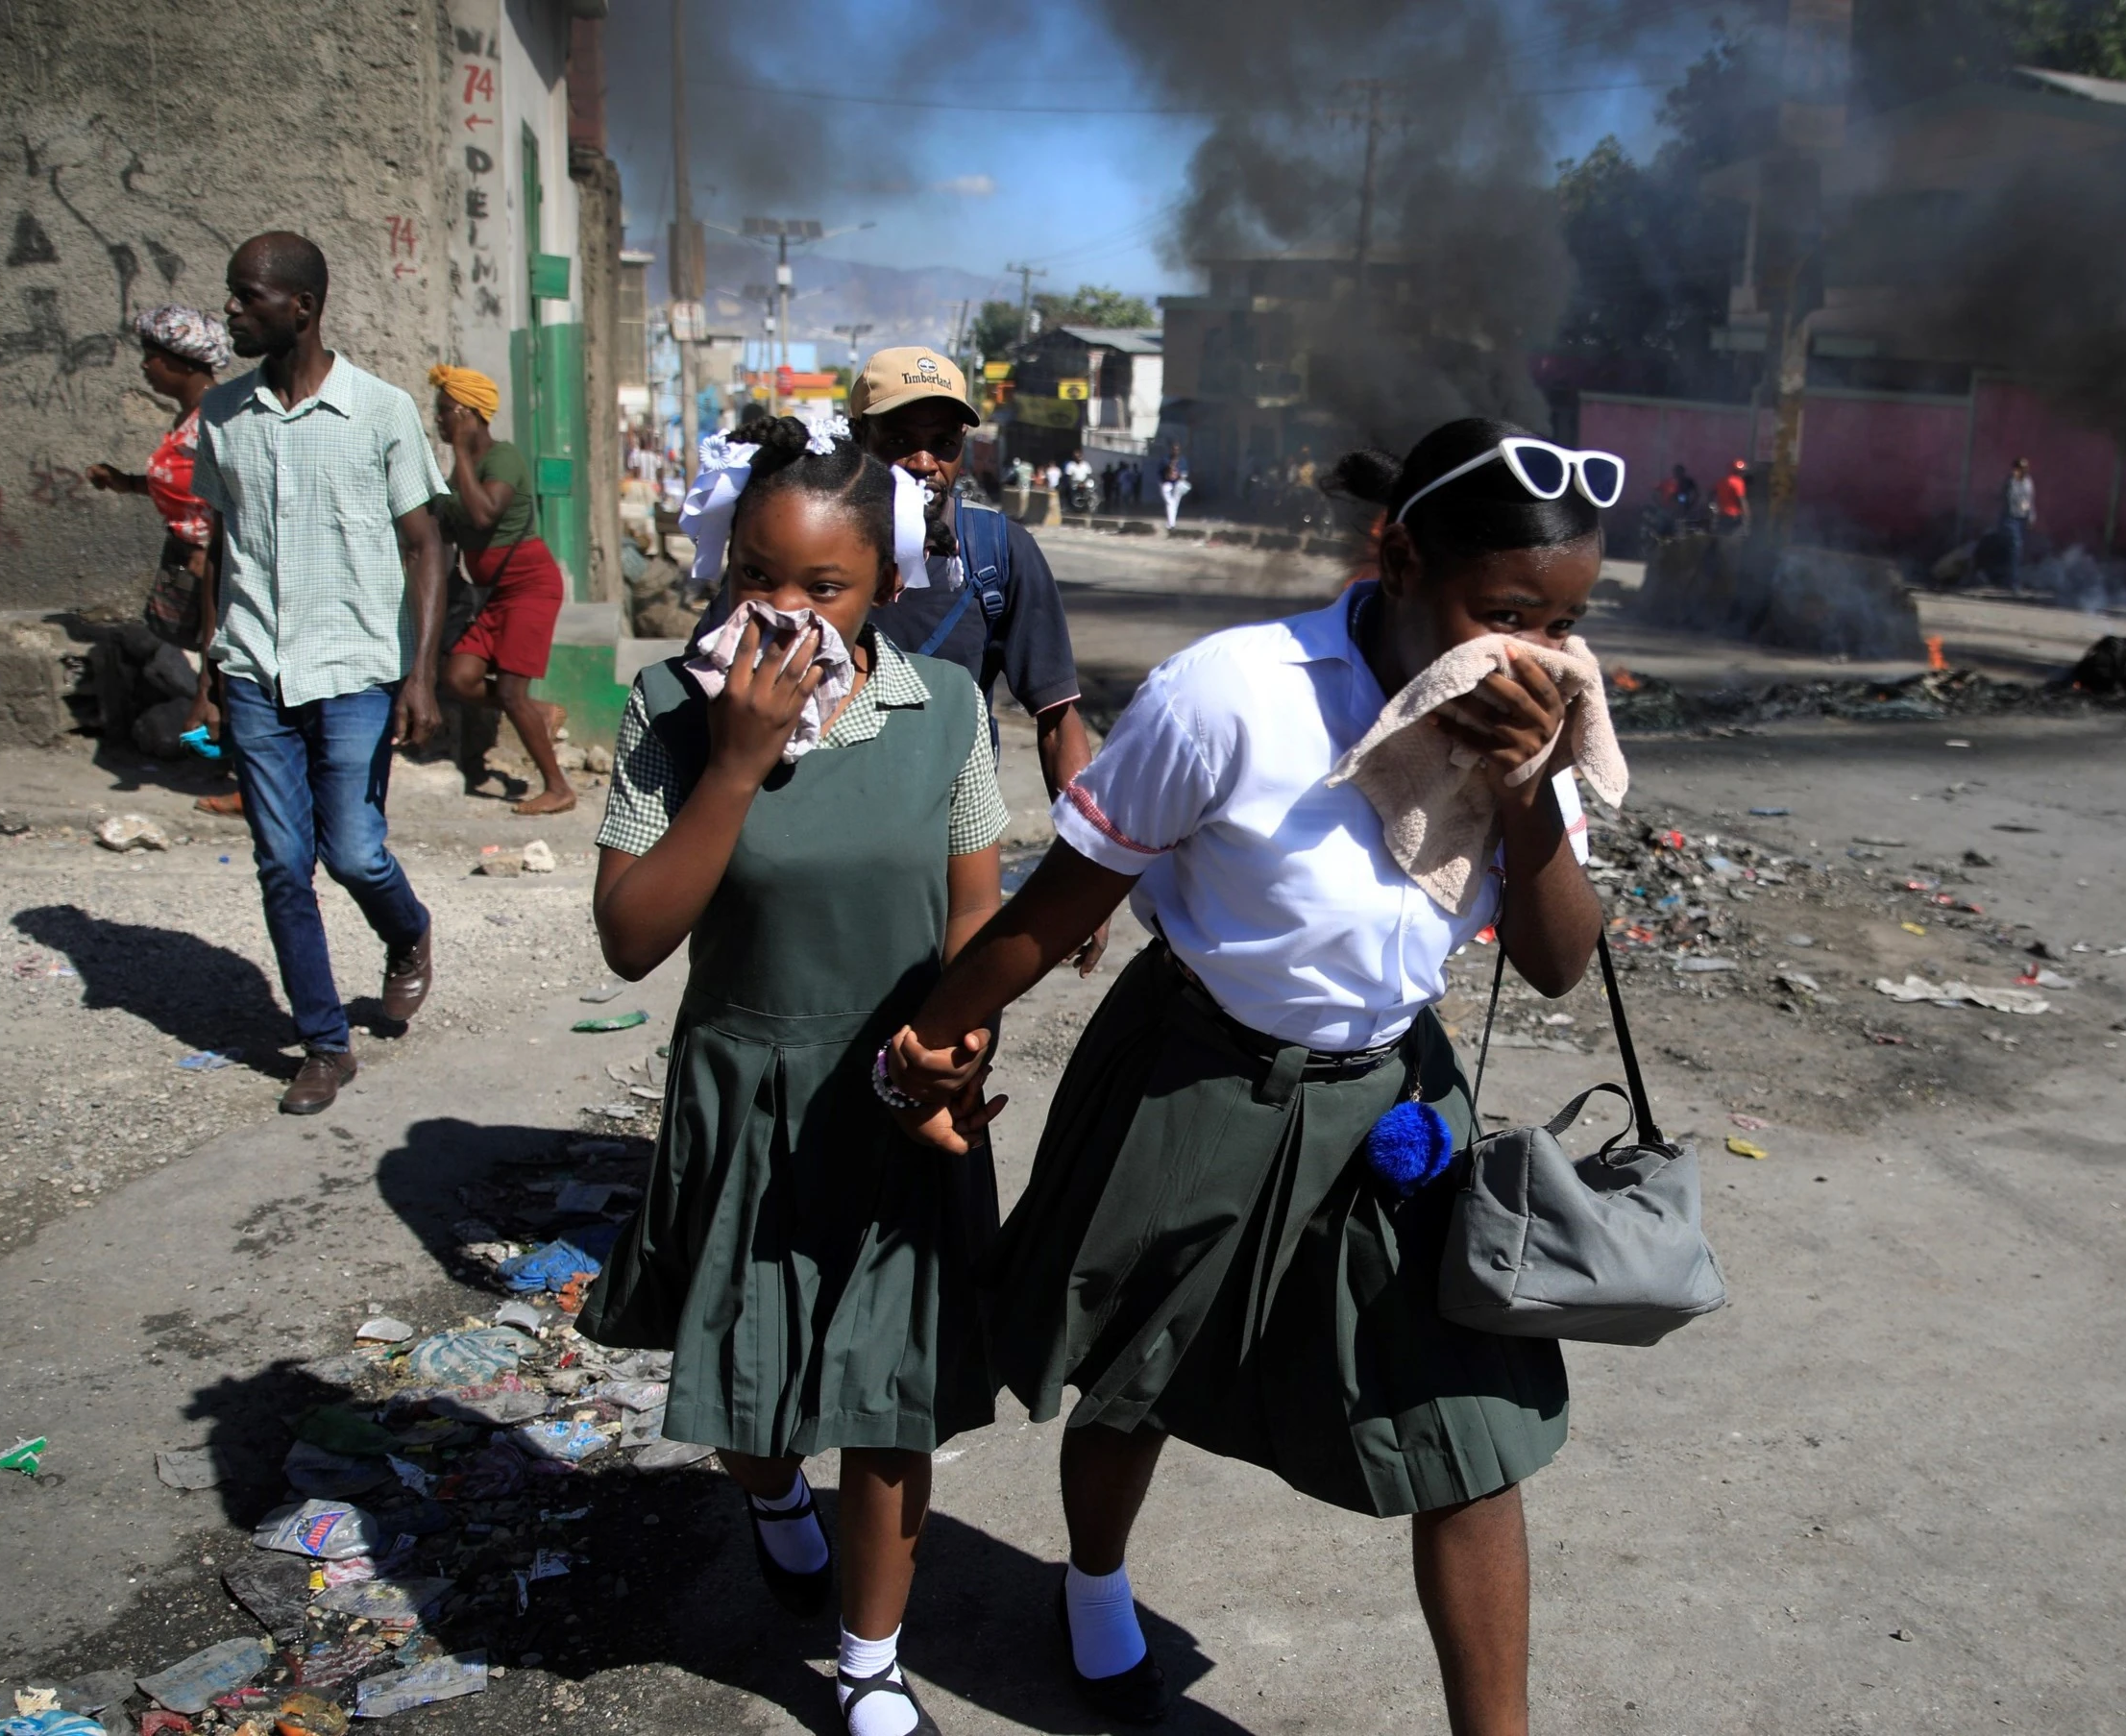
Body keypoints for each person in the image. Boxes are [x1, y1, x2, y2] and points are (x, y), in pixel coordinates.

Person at [886, 416, 1615, 1733]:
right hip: (1199, 1074)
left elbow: (1564, 960)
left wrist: (1526, 790)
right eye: (1503, 611)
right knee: (1132, 1367)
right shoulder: (1234, 693)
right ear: (1394, 558)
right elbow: (1065, 902)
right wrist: (937, 1029)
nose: (1538, 653)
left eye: (1566, 622)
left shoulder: (1526, 733)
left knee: (1472, 1429)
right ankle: (1093, 1581)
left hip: (1395, 1100)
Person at [579, 411, 1005, 1736]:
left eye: (823, 586)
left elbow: (974, 916)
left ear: (883, 584)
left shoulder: (943, 712)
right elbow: (635, 936)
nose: (783, 613)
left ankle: (870, 1658)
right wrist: (742, 759)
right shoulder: (668, 712)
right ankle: (767, 1489)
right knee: (754, 1378)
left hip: (892, 1092)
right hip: (745, 1090)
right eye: (755, 578)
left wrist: (958, 1043)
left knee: (888, 1396)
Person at [184, 232, 445, 1114]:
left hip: (356, 667)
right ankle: (324, 1045)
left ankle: (408, 934)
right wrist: (212, 665)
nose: (231, 311)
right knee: (282, 862)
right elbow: (217, 546)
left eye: (246, 296)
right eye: (231, 293)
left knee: (355, 852)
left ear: (301, 306)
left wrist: (419, 674)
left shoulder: (380, 410)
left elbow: (424, 545)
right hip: (256, 664)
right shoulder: (221, 417)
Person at [856, 347, 1112, 975]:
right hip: (826, 840)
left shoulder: (1000, 554)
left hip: (950, 852)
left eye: (942, 442)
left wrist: (1089, 877)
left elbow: (1057, 721)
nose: (924, 462)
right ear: (859, 438)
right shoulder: (807, 545)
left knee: (945, 1032)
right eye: (899, 439)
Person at [86, 305, 243, 816]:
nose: (145, 367)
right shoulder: (190, 418)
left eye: (153, 357)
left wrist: (208, 552)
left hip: (211, 562)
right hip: (189, 556)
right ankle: (234, 761)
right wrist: (127, 482)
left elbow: (226, 499)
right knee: (213, 664)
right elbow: (180, 485)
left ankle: (253, 782)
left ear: (184, 362)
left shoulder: (215, 422)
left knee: (224, 664)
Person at [426, 364, 575, 816]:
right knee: (459, 678)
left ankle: (558, 788)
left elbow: (485, 513)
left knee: (511, 692)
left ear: (468, 414)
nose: (438, 420)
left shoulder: (502, 458)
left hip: (529, 586)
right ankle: (541, 714)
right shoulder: (464, 469)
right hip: (496, 594)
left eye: (445, 412)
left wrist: (460, 453)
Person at [1999, 456, 2036, 581]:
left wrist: (2031, 516)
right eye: (2020, 468)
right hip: (2010, 518)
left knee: (2018, 550)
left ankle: (2011, 578)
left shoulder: (2028, 482)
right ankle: (2013, 581)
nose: (2023, 471)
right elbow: (2009, 498)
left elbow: (2029, 500)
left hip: (2022, 519)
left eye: (2025, 468)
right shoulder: (2010, 482)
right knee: (2015, 546)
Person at [1711, 454, 1749, 534]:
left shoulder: (1722, 481)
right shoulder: (1739, 482)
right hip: (1734, 517)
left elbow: (1711, 493)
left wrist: (1713, 507)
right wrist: (1747, 515)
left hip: (1722, 516)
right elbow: (1741, 499)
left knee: (1722, 538)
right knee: (1737, 540)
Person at [1159, 440, 1191, 529]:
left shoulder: (1182, 461)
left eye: (1177, 449)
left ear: (1179, 450)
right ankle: (1171, 523)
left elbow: (1184, 474)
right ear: (1171, 450)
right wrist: (1169, 468)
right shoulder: (1165, 459)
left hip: (1177, 483)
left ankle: (1171, 524)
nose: (1175, 451)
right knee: (1170, 502)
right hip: (1166, 483)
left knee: (1174, 504)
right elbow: (1161, 473)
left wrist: (1178, 476)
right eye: (1174, 449)